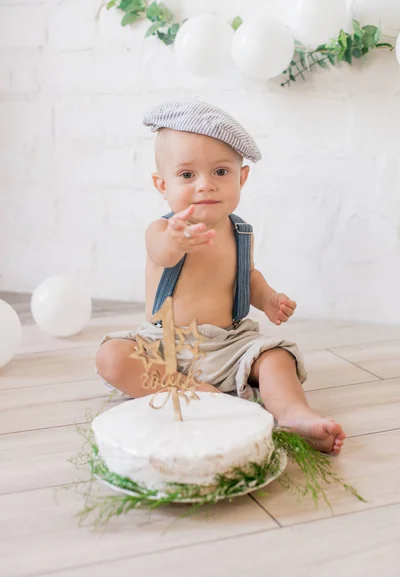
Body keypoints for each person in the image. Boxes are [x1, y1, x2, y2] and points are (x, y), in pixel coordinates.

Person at [96, 99, 345, 454]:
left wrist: (268, 297)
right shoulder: (163, 229)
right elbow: (160, 252)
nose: (205, 186)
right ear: (161, 184)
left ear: (242, 177)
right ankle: (194, 391)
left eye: (220, 172)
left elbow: (247, 276)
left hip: (230, 344)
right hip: (165, 346)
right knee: (112, 356)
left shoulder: (240, 232)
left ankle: (294, 415)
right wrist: (175, 240)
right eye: (186, 175)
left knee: (276, 358)